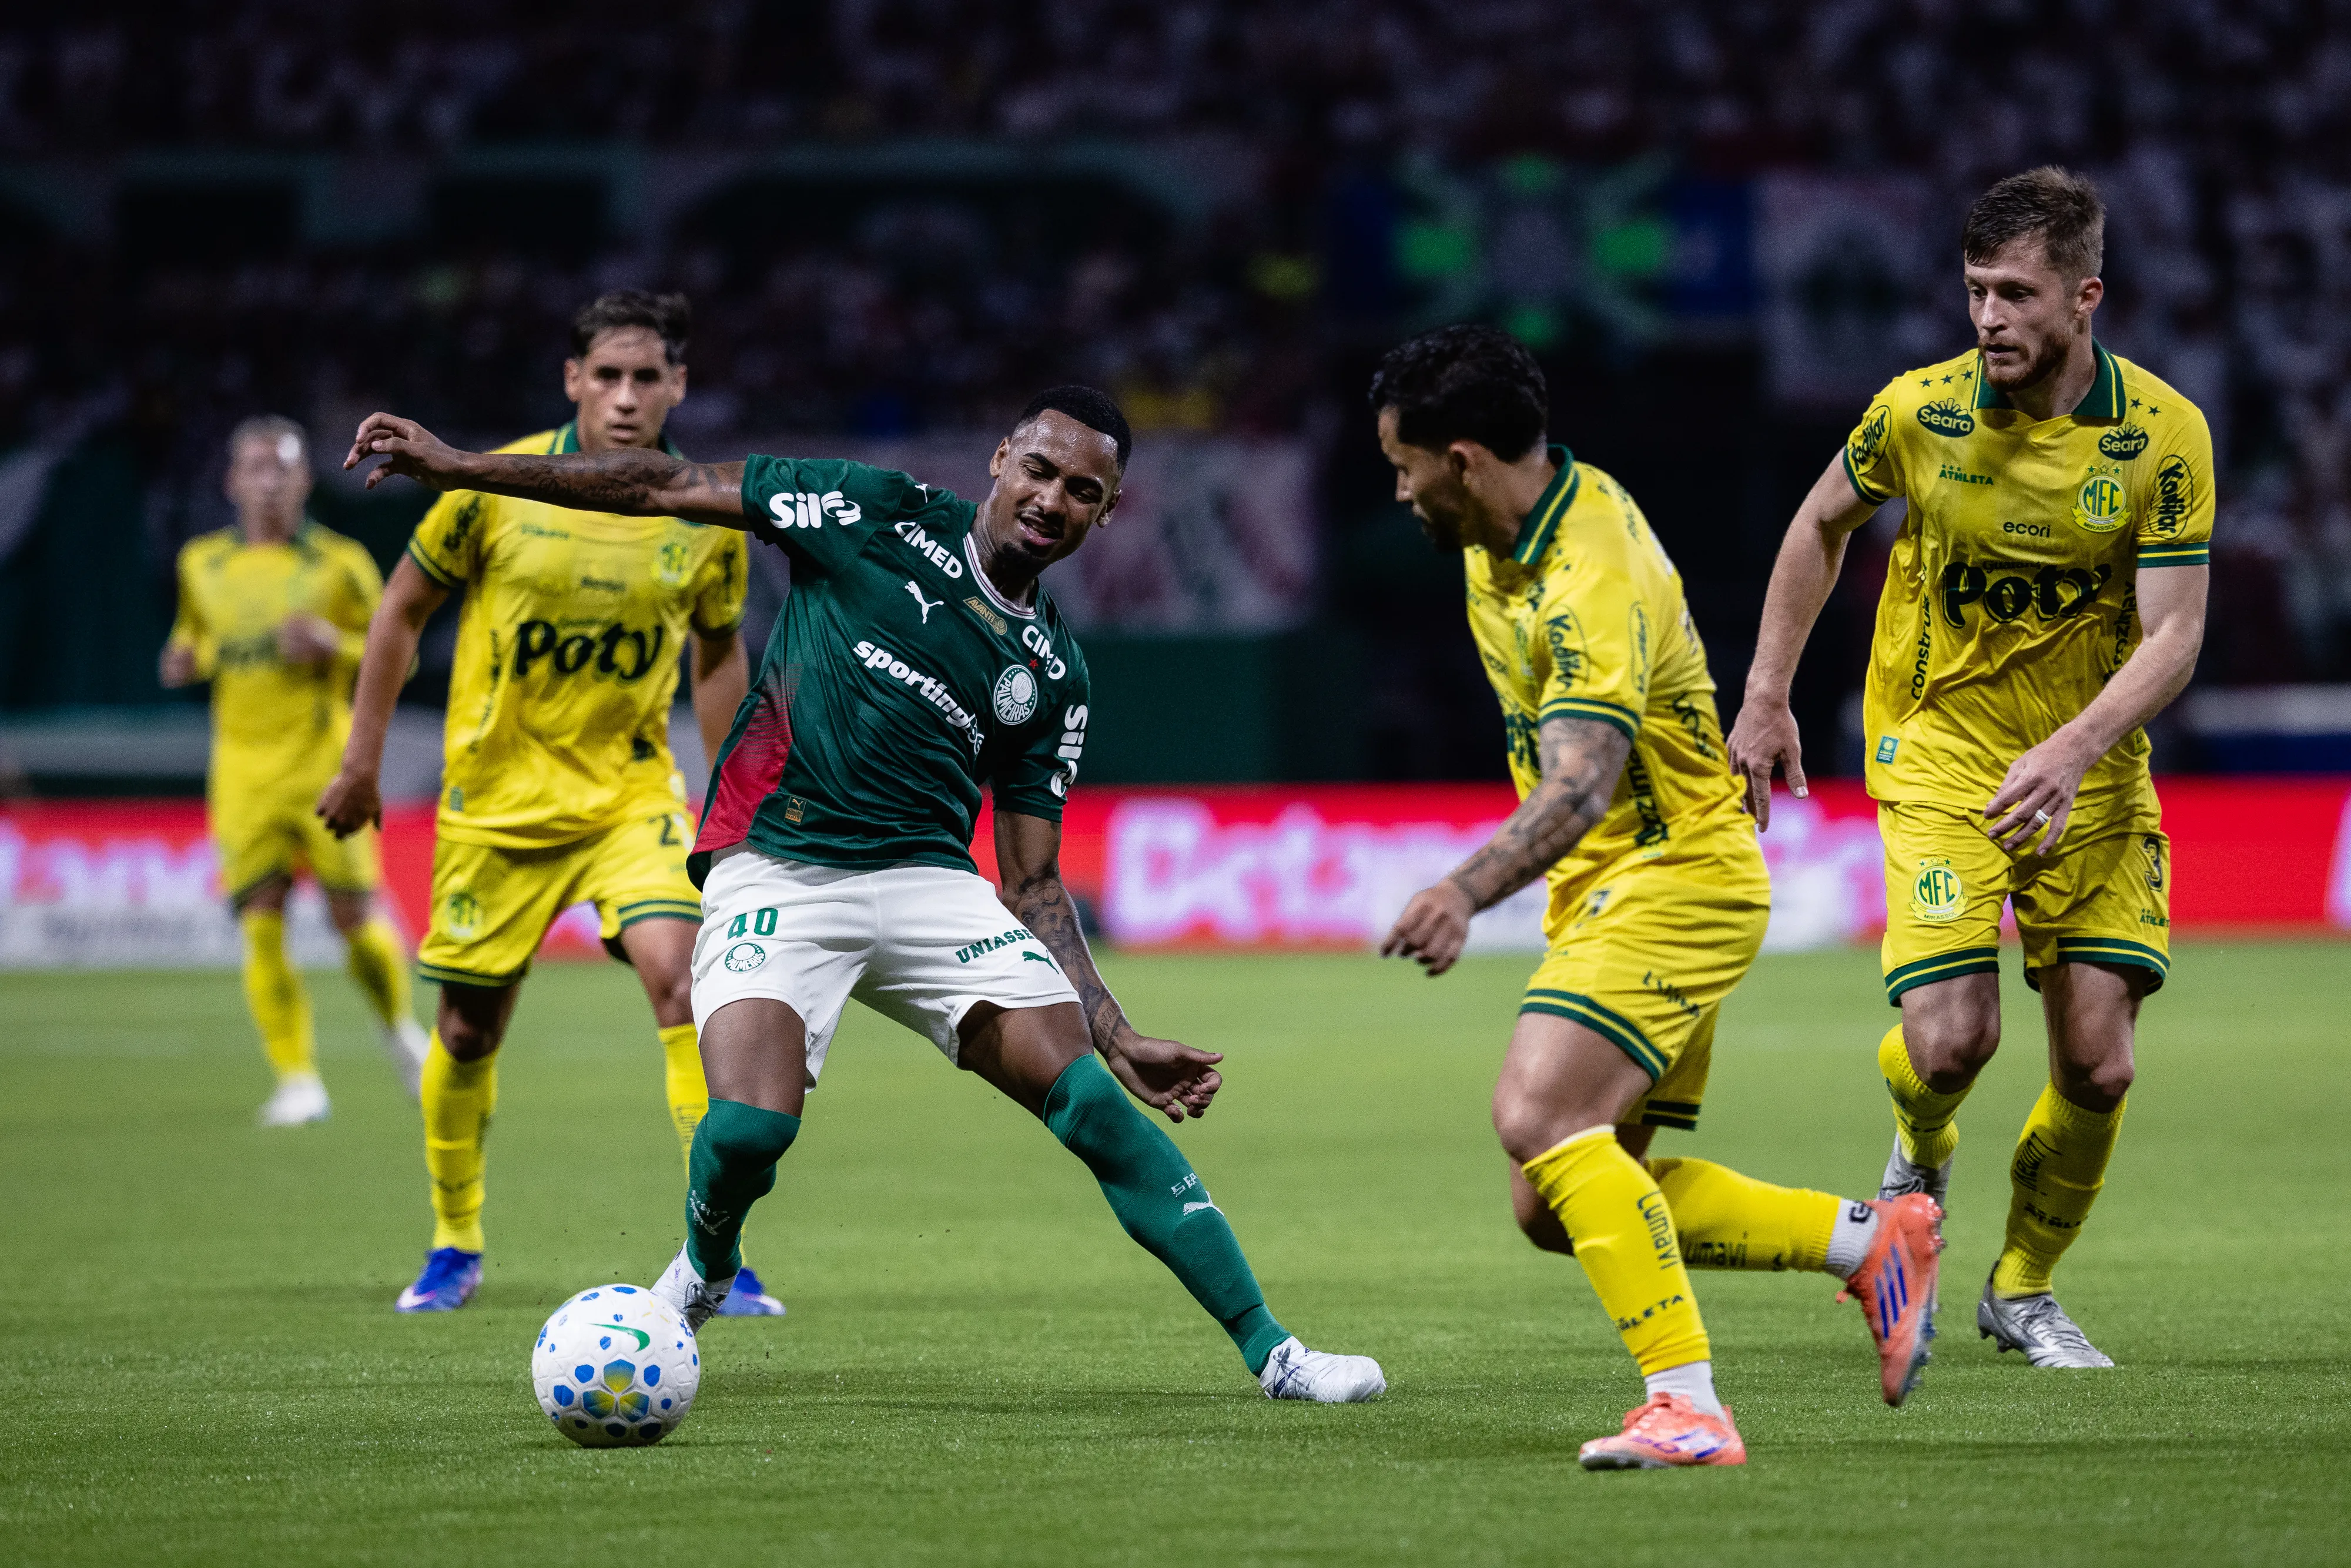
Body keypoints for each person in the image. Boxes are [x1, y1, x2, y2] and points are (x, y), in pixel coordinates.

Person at [340, 383, 1387, 1402]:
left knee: (1095, 1111)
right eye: (1039, 468)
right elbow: (663, 485)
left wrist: (1115, 1032)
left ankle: (1275, 1352)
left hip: (932, 887)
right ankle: (704, 1267)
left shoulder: (1050, 671)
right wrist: (460, 465)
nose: (1051, 499)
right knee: (749, 1131)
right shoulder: (870, 512)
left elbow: (1030, 879)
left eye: (1081, 490)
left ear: (1106, 512)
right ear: (999, 460)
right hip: (779, 864)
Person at [1371, 326, 1942, 1469]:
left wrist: (1459, 887)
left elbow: (1582, 781)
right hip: (1613, 889)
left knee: (1536, 1119)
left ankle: (1687, 1404)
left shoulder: (1590, 569)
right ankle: (1869, 1238)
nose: (1397, 490)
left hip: (1671, 880)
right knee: (1559, 1200)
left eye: (1404, 465)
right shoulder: (1502, 534)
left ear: (1467, 457)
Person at [1727, 167, 2211, 1369]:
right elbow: (1817, 523)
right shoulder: (1916, 413)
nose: (1984, 317)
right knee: (1949, 1041)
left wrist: (2072, 746)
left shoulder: (2160, 434)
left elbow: (2174, 633)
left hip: (2086, 771)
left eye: (2012, 293)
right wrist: (1767, 690)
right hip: (1939, 752)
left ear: (2084, 294)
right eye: (1972, 291)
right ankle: (1914, 1156)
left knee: (2096, 1063)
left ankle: (2020, 1287)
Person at [319, 292, 783, 1319]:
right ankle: (455, 1240)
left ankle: (716, 1252)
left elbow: (716, 656)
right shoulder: (494, 488)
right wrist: (360, 761)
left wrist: (729, 803)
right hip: (497, 802)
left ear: (679, 385)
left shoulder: (702, 512)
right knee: (470, 1029)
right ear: (572, 381)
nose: (626, 397)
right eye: (606, 376)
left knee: (683, 979)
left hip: (629, 795)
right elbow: (400, 611)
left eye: (647, 377)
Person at [162, 416, 427, 1127]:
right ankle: (297, 1079)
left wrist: (335, 645)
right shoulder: (201, 564)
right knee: (260, 918)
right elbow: (195, 635)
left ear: (305, 480)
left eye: (282, 468)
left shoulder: (339, 564)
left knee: (352, 918)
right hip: (242, 771)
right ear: (232, 481)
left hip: (324, 765)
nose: (269, 481)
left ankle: (400, 1028)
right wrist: (184, 655)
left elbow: (399, 651)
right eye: (255, 467)